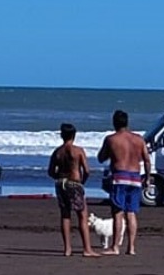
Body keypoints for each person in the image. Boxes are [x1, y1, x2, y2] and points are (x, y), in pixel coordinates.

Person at [97, 110, 151, 255]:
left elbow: (101, 157)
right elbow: (146, 159)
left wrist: (111, 154)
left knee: (118, 213)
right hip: (135, 177)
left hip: (120, 176)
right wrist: (148, 177)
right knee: (131, 213)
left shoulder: (111, 139)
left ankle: (115, 247)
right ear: (127, 122)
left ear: (114, 122)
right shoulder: (139, 139)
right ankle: (131, 247)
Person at [47, 123, 99, 257]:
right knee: (82, 215)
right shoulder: (78, 151)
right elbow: (87, 170)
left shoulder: (57, 152)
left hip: (61, 183)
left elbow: (51, 171)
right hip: (74, 183)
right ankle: (87, 249)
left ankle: (67, 249)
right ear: (74, 135)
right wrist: (82, 182)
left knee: (65, 215)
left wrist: (59, 177)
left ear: (62, 135)